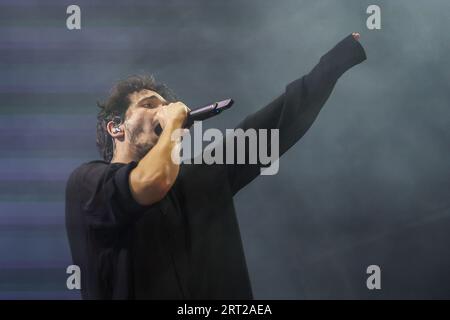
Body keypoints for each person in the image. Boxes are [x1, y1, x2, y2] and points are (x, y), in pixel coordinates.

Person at [65, 33, 366, 299]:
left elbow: (274, 124)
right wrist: (171, 125)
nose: (164, 111)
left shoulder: (196, 180)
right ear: (116, 128)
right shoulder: (89, 183)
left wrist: (338, 59)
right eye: (149, 105)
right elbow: (150, 184)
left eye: (165, 106)